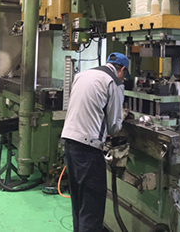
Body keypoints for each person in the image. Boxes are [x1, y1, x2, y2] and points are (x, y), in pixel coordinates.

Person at [61, 53, 128, 232]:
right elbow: (114, 127)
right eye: (124, 75)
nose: (123, 79)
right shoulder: (113, 82)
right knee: (92, 206)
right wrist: (122, 117)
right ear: (122, 70)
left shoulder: (82, 75)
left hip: (69, 144)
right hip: (88, 150)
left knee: (79, 201)